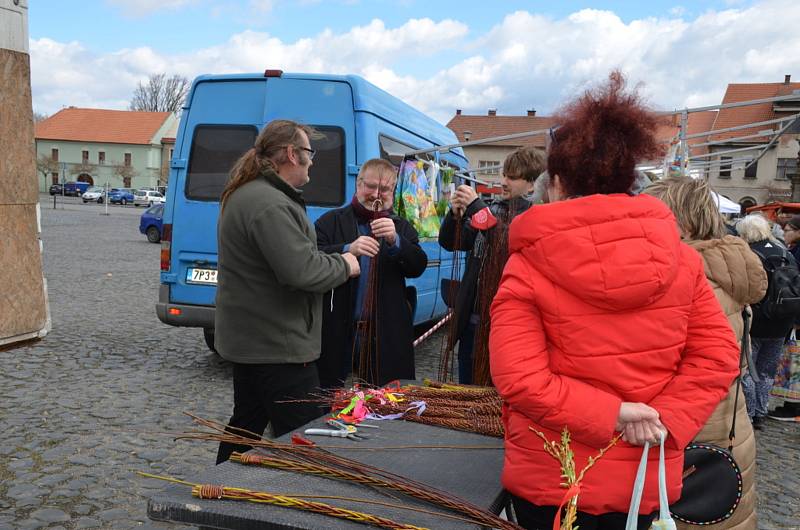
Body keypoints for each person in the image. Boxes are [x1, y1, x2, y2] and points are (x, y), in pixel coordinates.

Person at [489, 72, 740, 530]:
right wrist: (662, 417)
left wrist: (615, 415)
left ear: (558, 182)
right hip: (644, 473)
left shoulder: (528, 264)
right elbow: (718, 356)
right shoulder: (681, 260)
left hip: (554, 476)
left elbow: (520, 379)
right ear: (629, 177)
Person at [214, 119, 360, 464]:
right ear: (292, 154)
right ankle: (300, 510)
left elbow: (291, 259)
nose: (312, 161)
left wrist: (330, 258)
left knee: (244, 431)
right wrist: (345, 264)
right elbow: (301, 271)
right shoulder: (269, 203)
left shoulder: (256, 194)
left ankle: (220, 500)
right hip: (279, 348)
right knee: (306, 441)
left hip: (256, 342)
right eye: (309, 153)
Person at [645, 177, 766, 530]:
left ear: (680, 222)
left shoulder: (693, 279)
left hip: (693, 429)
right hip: (727, 422)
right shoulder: (728, 265)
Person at [315, 158, 427, 387]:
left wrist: (397, 241)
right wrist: (347, 249)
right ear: (358, 184)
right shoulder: (330, 221)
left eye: (384, 189)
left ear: (393, 191)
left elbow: (418, 266)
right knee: (327, 399)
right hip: (337, 331)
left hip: (385, 335)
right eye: (371, 186)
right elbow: (312, 256)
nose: (376, 194)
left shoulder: (402, 226)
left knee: (381, 405)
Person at [438, 146, 545, 384]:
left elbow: (505, 244)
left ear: (531, 185)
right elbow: (451, 242)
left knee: (497, 393)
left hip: (508, 325)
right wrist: (454, 215)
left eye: (512, 177)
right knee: (468, 390)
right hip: (472, 323)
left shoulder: (536, 217)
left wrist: (477, 208)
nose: (503, 181)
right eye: (504, 174)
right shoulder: (492, 209)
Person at [735, 214, 798, 430]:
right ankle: (761, 412)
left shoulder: (750, 253)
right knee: (767, 370)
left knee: (748, 368)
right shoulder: (783, 251)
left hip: (757, 320)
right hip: (782, 320)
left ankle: (750, 413)